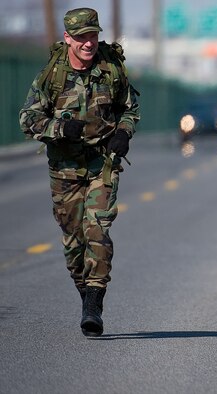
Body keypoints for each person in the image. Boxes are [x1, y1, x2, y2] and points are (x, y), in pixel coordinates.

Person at [19, 8, 140, 337]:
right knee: (74, 241)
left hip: (102, 162)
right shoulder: (52, 75)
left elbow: (129, 108)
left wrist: (124, 133)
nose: (89, 43)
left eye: (93, 35)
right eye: (82, 37)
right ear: (68, 39)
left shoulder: (110, 67)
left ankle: (94, 302)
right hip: (65, 168)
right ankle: (85, 289)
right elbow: (27, 119)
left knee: (97, 229)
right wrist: (59, 128)